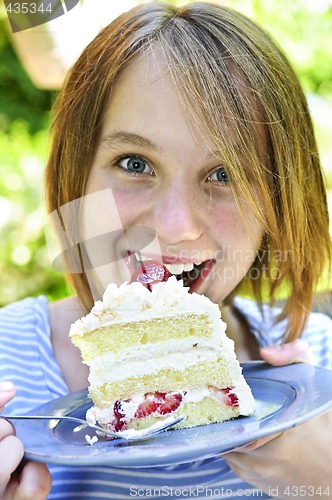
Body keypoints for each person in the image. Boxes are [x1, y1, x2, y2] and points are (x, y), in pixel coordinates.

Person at [1, 2, 331, 498]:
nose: (175, 228)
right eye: (134, 163)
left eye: (225, 175)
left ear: (279, 202)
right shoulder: (8, 371)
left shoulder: (320, 364)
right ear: (75, 177)